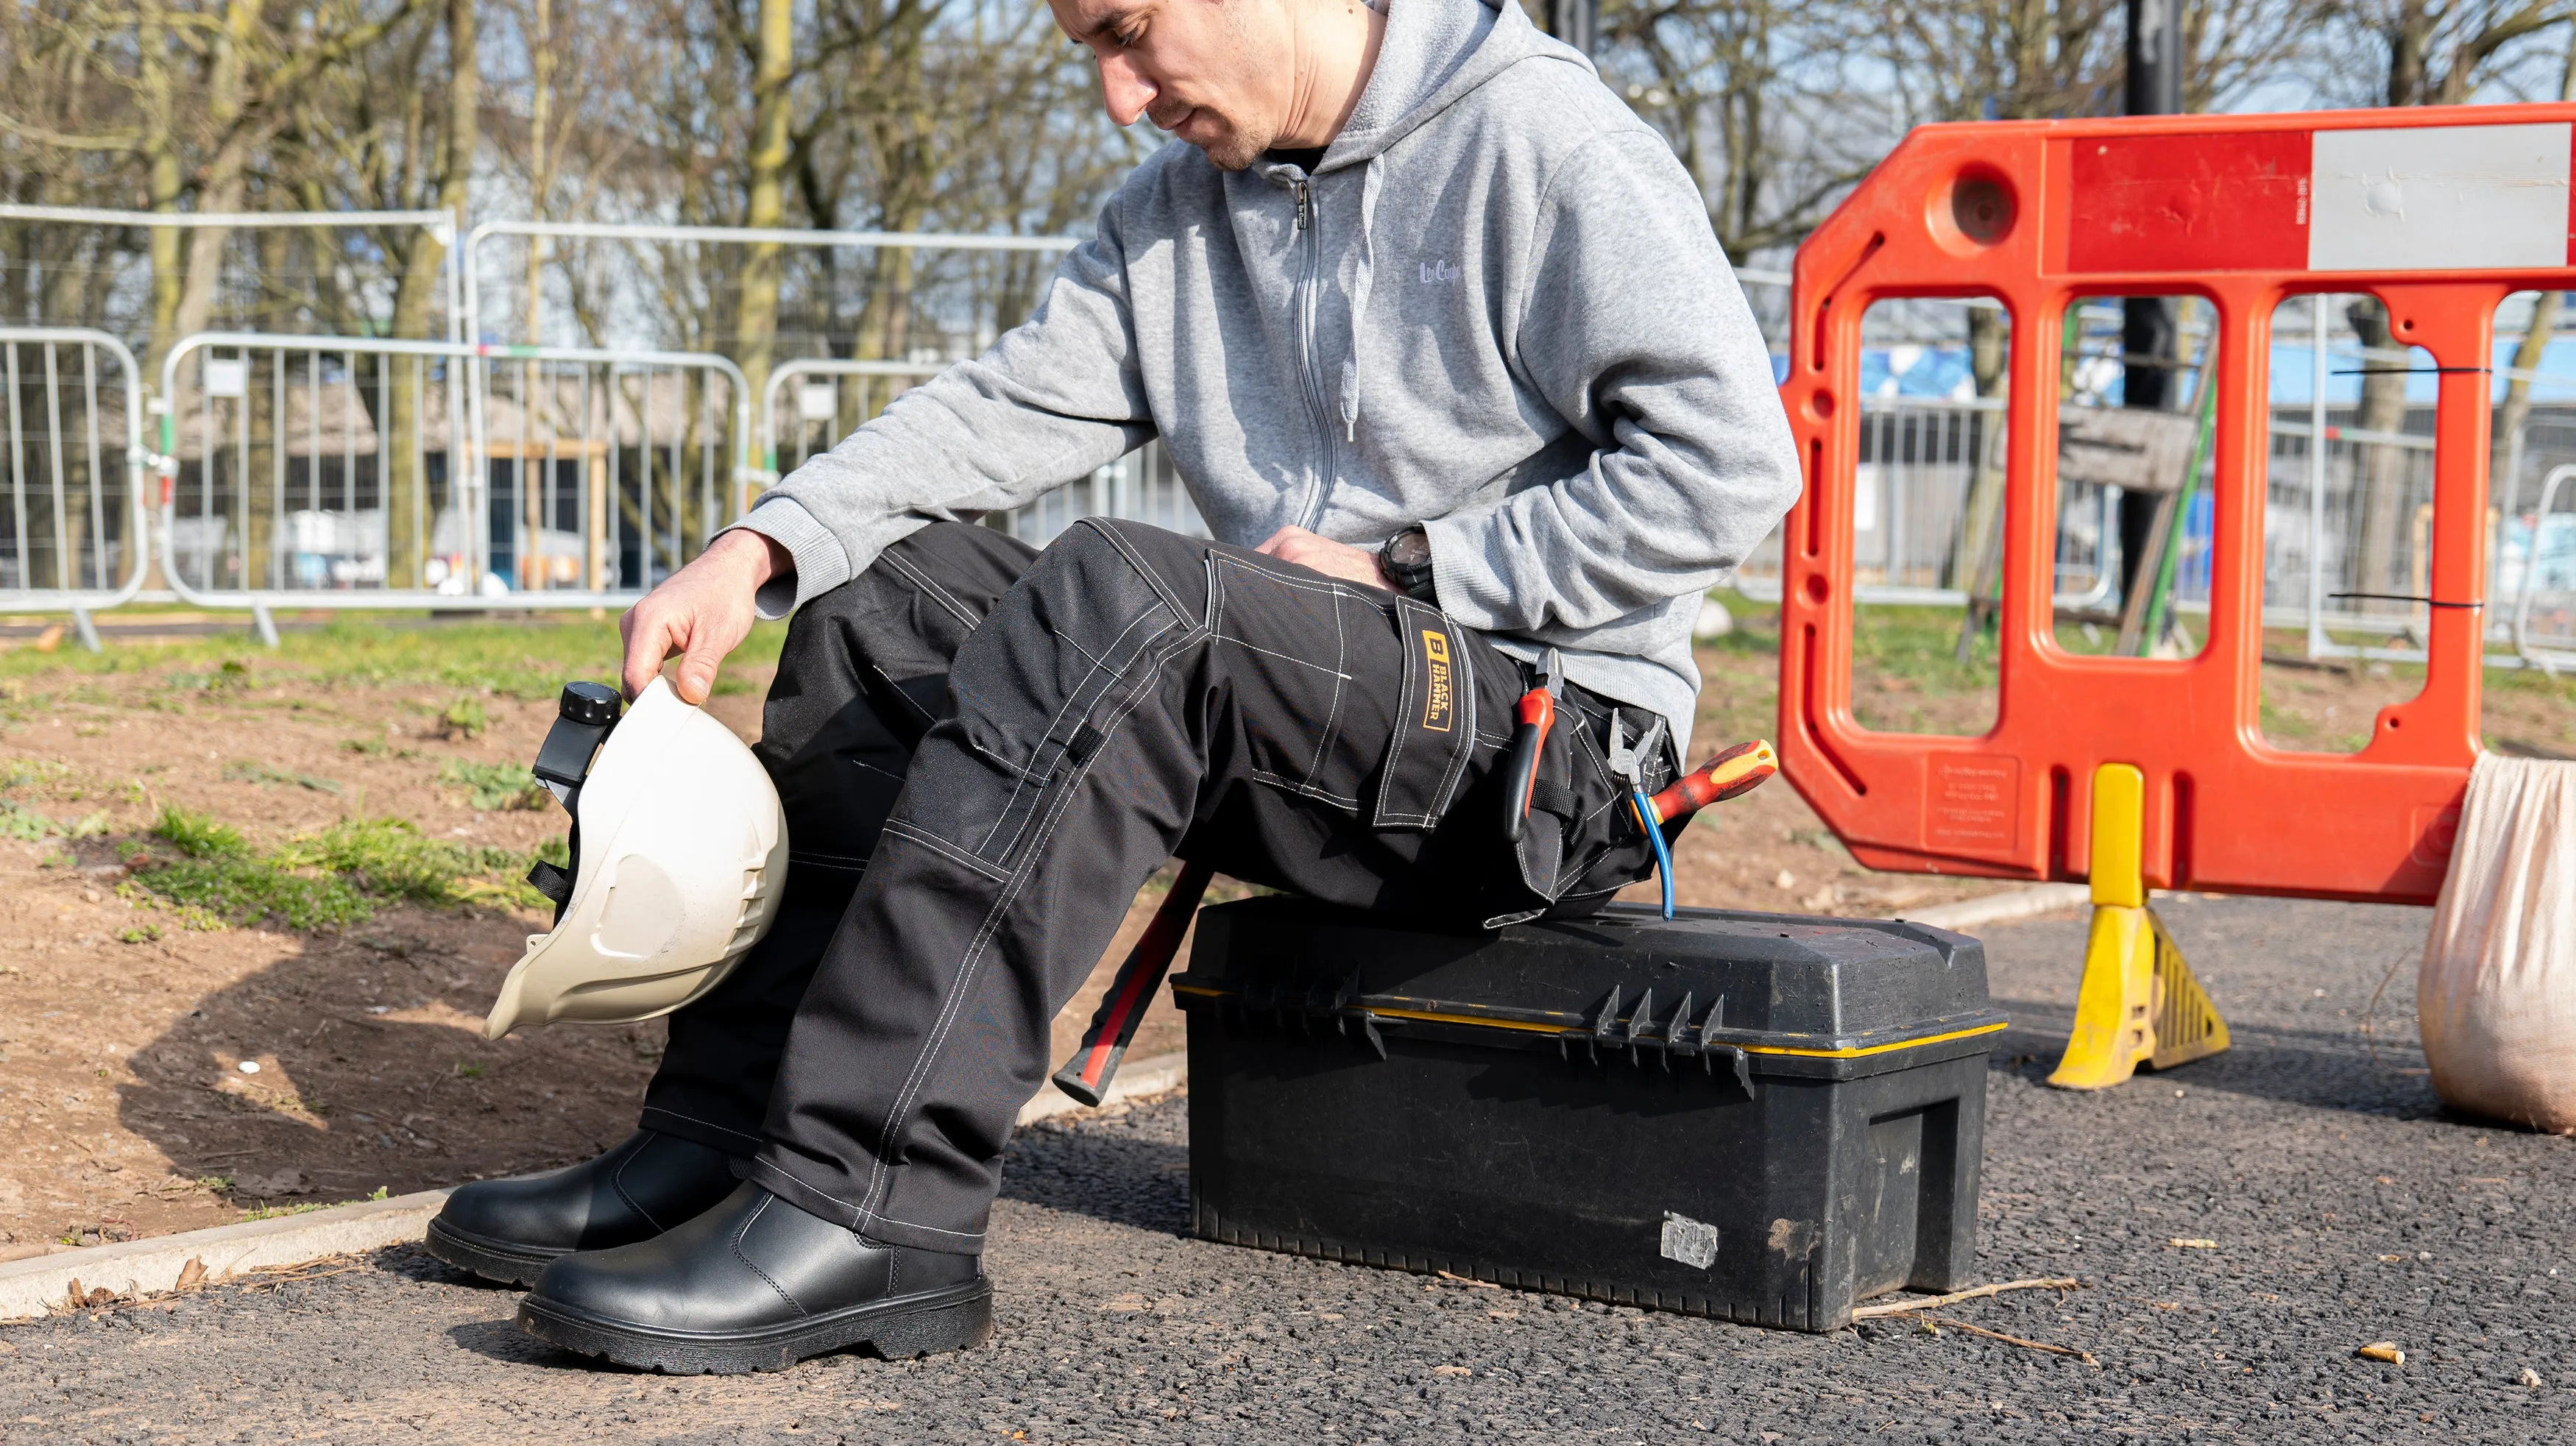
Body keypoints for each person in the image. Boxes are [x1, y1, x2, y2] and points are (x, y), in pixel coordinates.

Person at [427, 0, 1800, 1374]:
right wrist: (764, 541)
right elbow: (1005, 408)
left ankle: (869, 1205)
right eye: (1090, 47)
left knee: (1130, 594)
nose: (1119, 96)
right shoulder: (1176, 211)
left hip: (1545, 749)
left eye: (1130, 31)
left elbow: (1729, 464)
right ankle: (726, 1142)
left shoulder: (1546, 144)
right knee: (888, 599)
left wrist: (1416, 567)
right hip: (1306, 715)